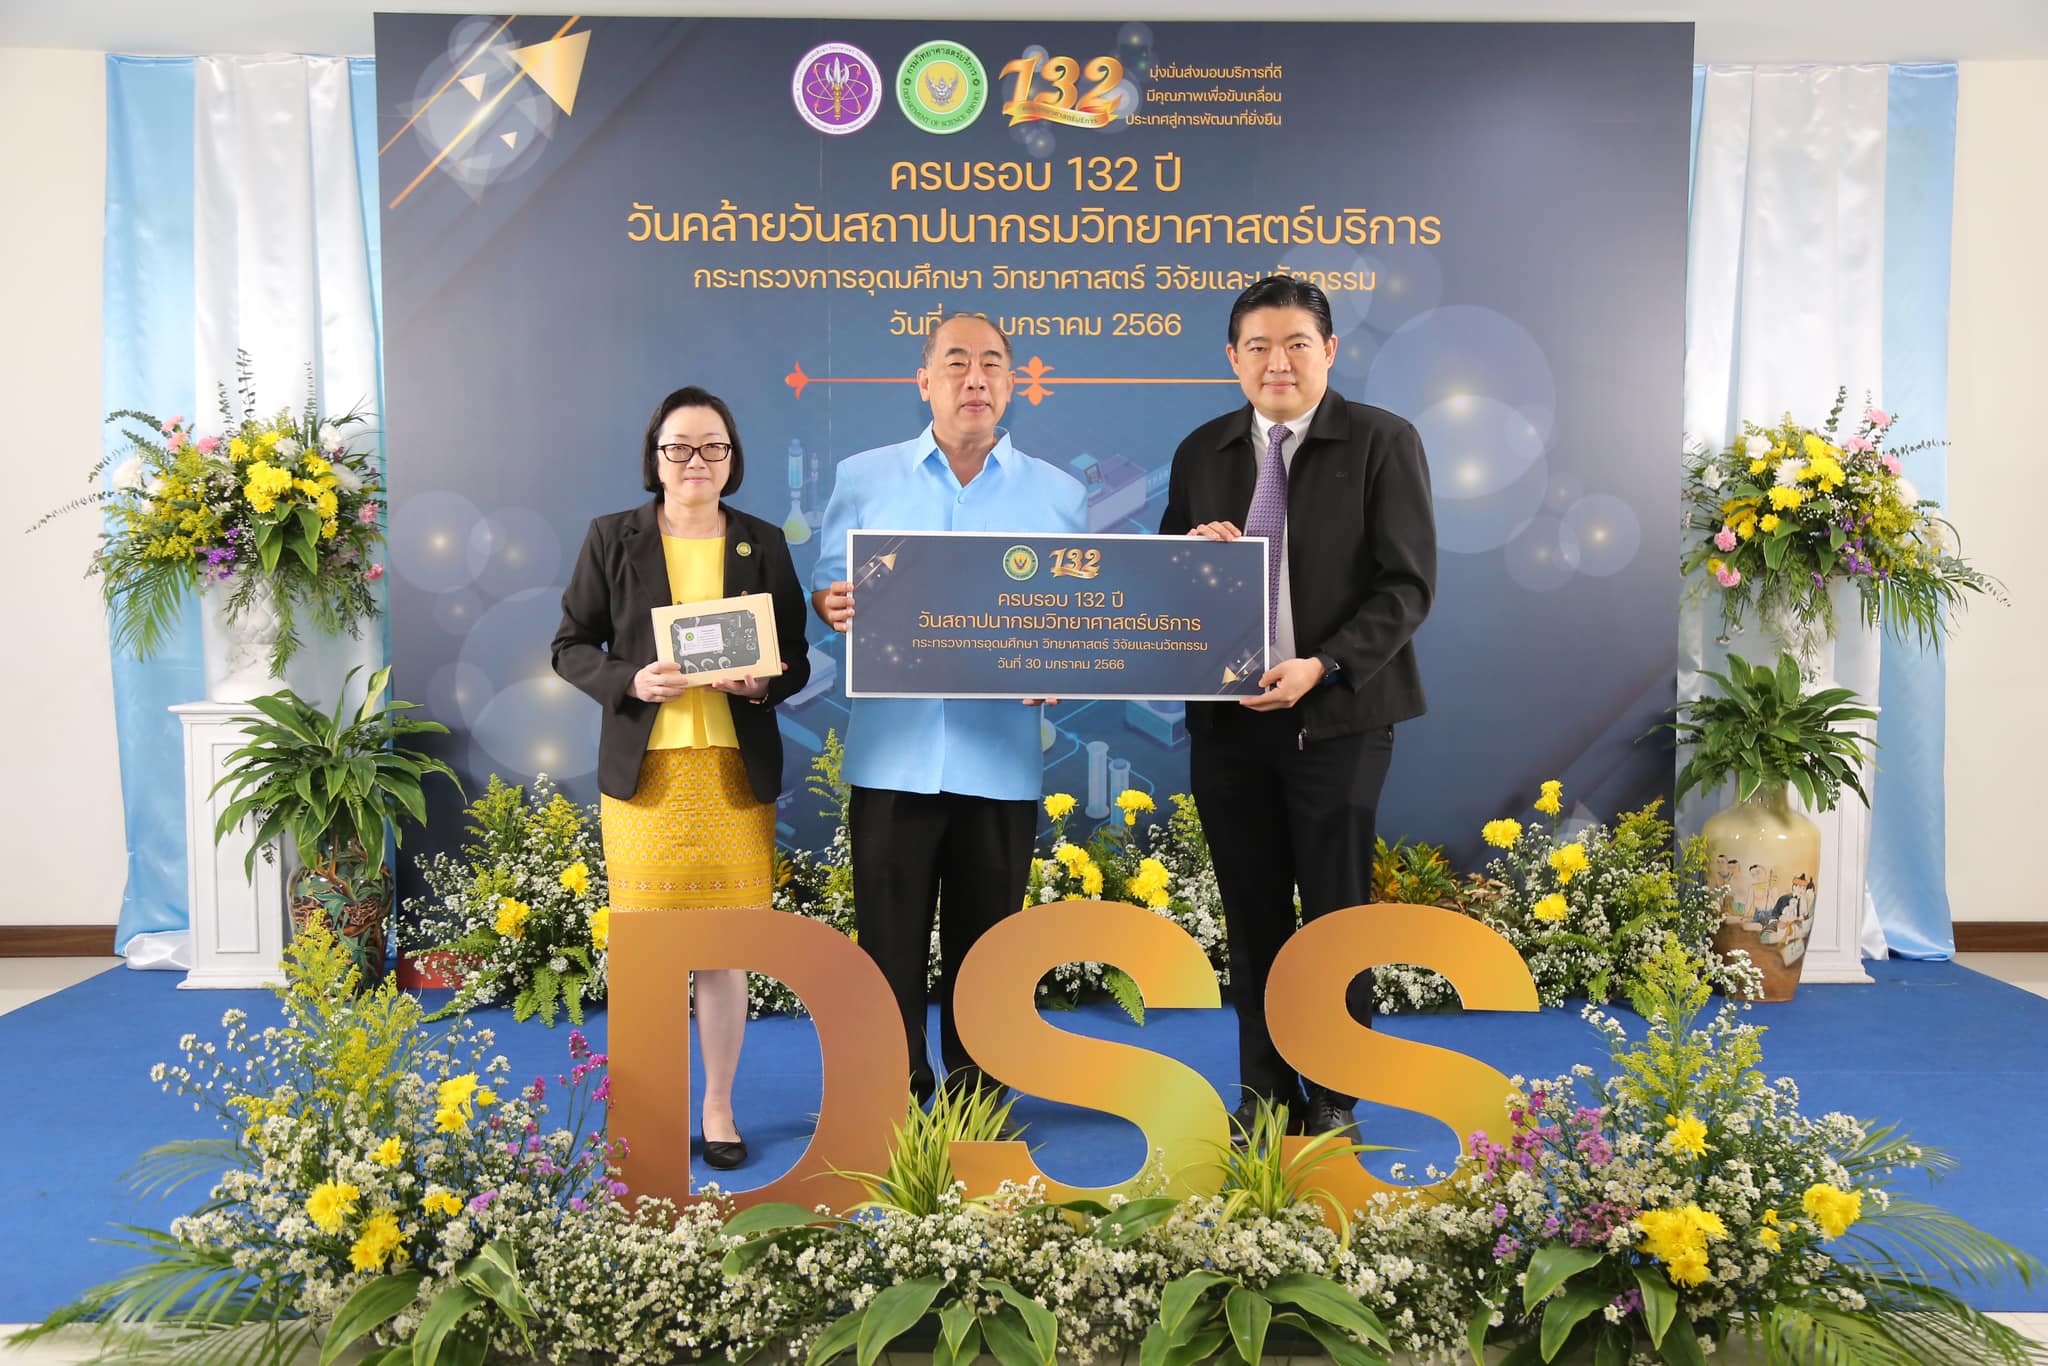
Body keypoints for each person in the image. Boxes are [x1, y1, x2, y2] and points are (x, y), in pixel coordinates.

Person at [1160, 276, 1436, 1140]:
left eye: (1296, 345)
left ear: (1330, 352)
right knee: (1251, 916)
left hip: (1338, 719)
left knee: (1333, 913)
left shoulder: (1383, 442)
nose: (1276, 362)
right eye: (1258, 346)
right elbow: (1165, 582)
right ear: (1232, 357)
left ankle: (1336, 1092)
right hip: (1229, 725)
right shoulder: (1203, 451)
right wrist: (1190, 553)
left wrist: (1324, 666)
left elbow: (1406, 586)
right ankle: (1265, 1088)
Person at [812, 313, 1087, 1104]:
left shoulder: (1060, 495)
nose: (975, 378)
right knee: (887, 944)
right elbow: (830, 583)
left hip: (999, 758)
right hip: (892, 754)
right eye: (957, 362)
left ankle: (977, 1098)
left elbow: (1078, 618)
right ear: (924, 380)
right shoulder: (864, 478)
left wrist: (1061, 659)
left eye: (992, 363)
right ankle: (893, 1091)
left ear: (1012, 383)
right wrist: (831, 602)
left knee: (987, 949)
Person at [552, 386, 811, 1171]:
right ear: (655, 457)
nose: (697, 461)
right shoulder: (612, 537)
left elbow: (795, 657)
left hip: (733, 772)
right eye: (680, 447)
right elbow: (570, 646)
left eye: (713, 447)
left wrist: (761, 685)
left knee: (724, 949)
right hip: (647, 778)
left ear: (732, 458)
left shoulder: (763, 541)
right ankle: (647, 1105)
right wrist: (630, 680)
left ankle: (718, 1105)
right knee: (647, 951)